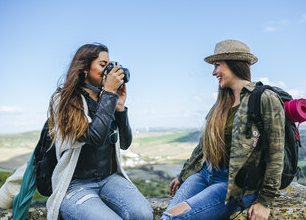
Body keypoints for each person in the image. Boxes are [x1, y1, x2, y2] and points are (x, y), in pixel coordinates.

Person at [161, 40, 285, 220]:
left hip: (234, 183)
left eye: (217, 65)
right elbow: (204, 145)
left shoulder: (265, 98)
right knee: (167, 215)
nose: (213, 72)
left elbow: (276, 153)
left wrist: (265, 201)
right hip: (205, 173)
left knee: (172, 218)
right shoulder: (221, 103)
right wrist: (184, 175)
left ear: (234, 63)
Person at [46, 43, 153, 220]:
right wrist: (109, 93)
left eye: (109, 66)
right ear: (85, 68)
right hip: (75, 184)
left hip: (109, 178)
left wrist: (119, 108)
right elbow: (94, 137)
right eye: (103, 65)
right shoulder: (64, 100)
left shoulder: (107, 99)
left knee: (142, 214)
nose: (108, 71)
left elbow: (125, 143)